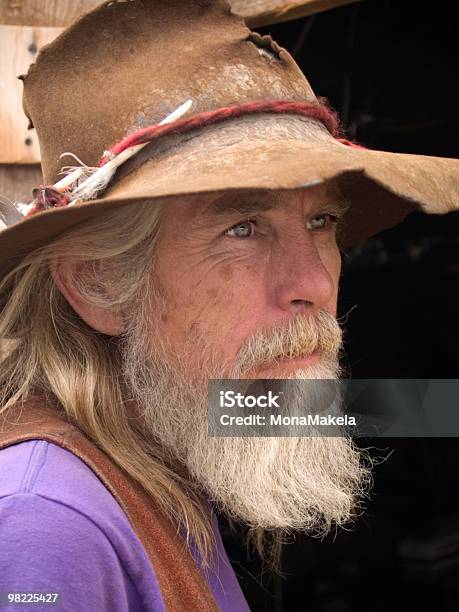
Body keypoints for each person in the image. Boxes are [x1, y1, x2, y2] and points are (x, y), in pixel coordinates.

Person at [0, 1, 457, 610]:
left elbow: (394, 409)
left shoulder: (168, 414)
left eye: (321, 220)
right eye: (242, 227)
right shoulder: (46, 525)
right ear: (98, 285)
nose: (314, 284)